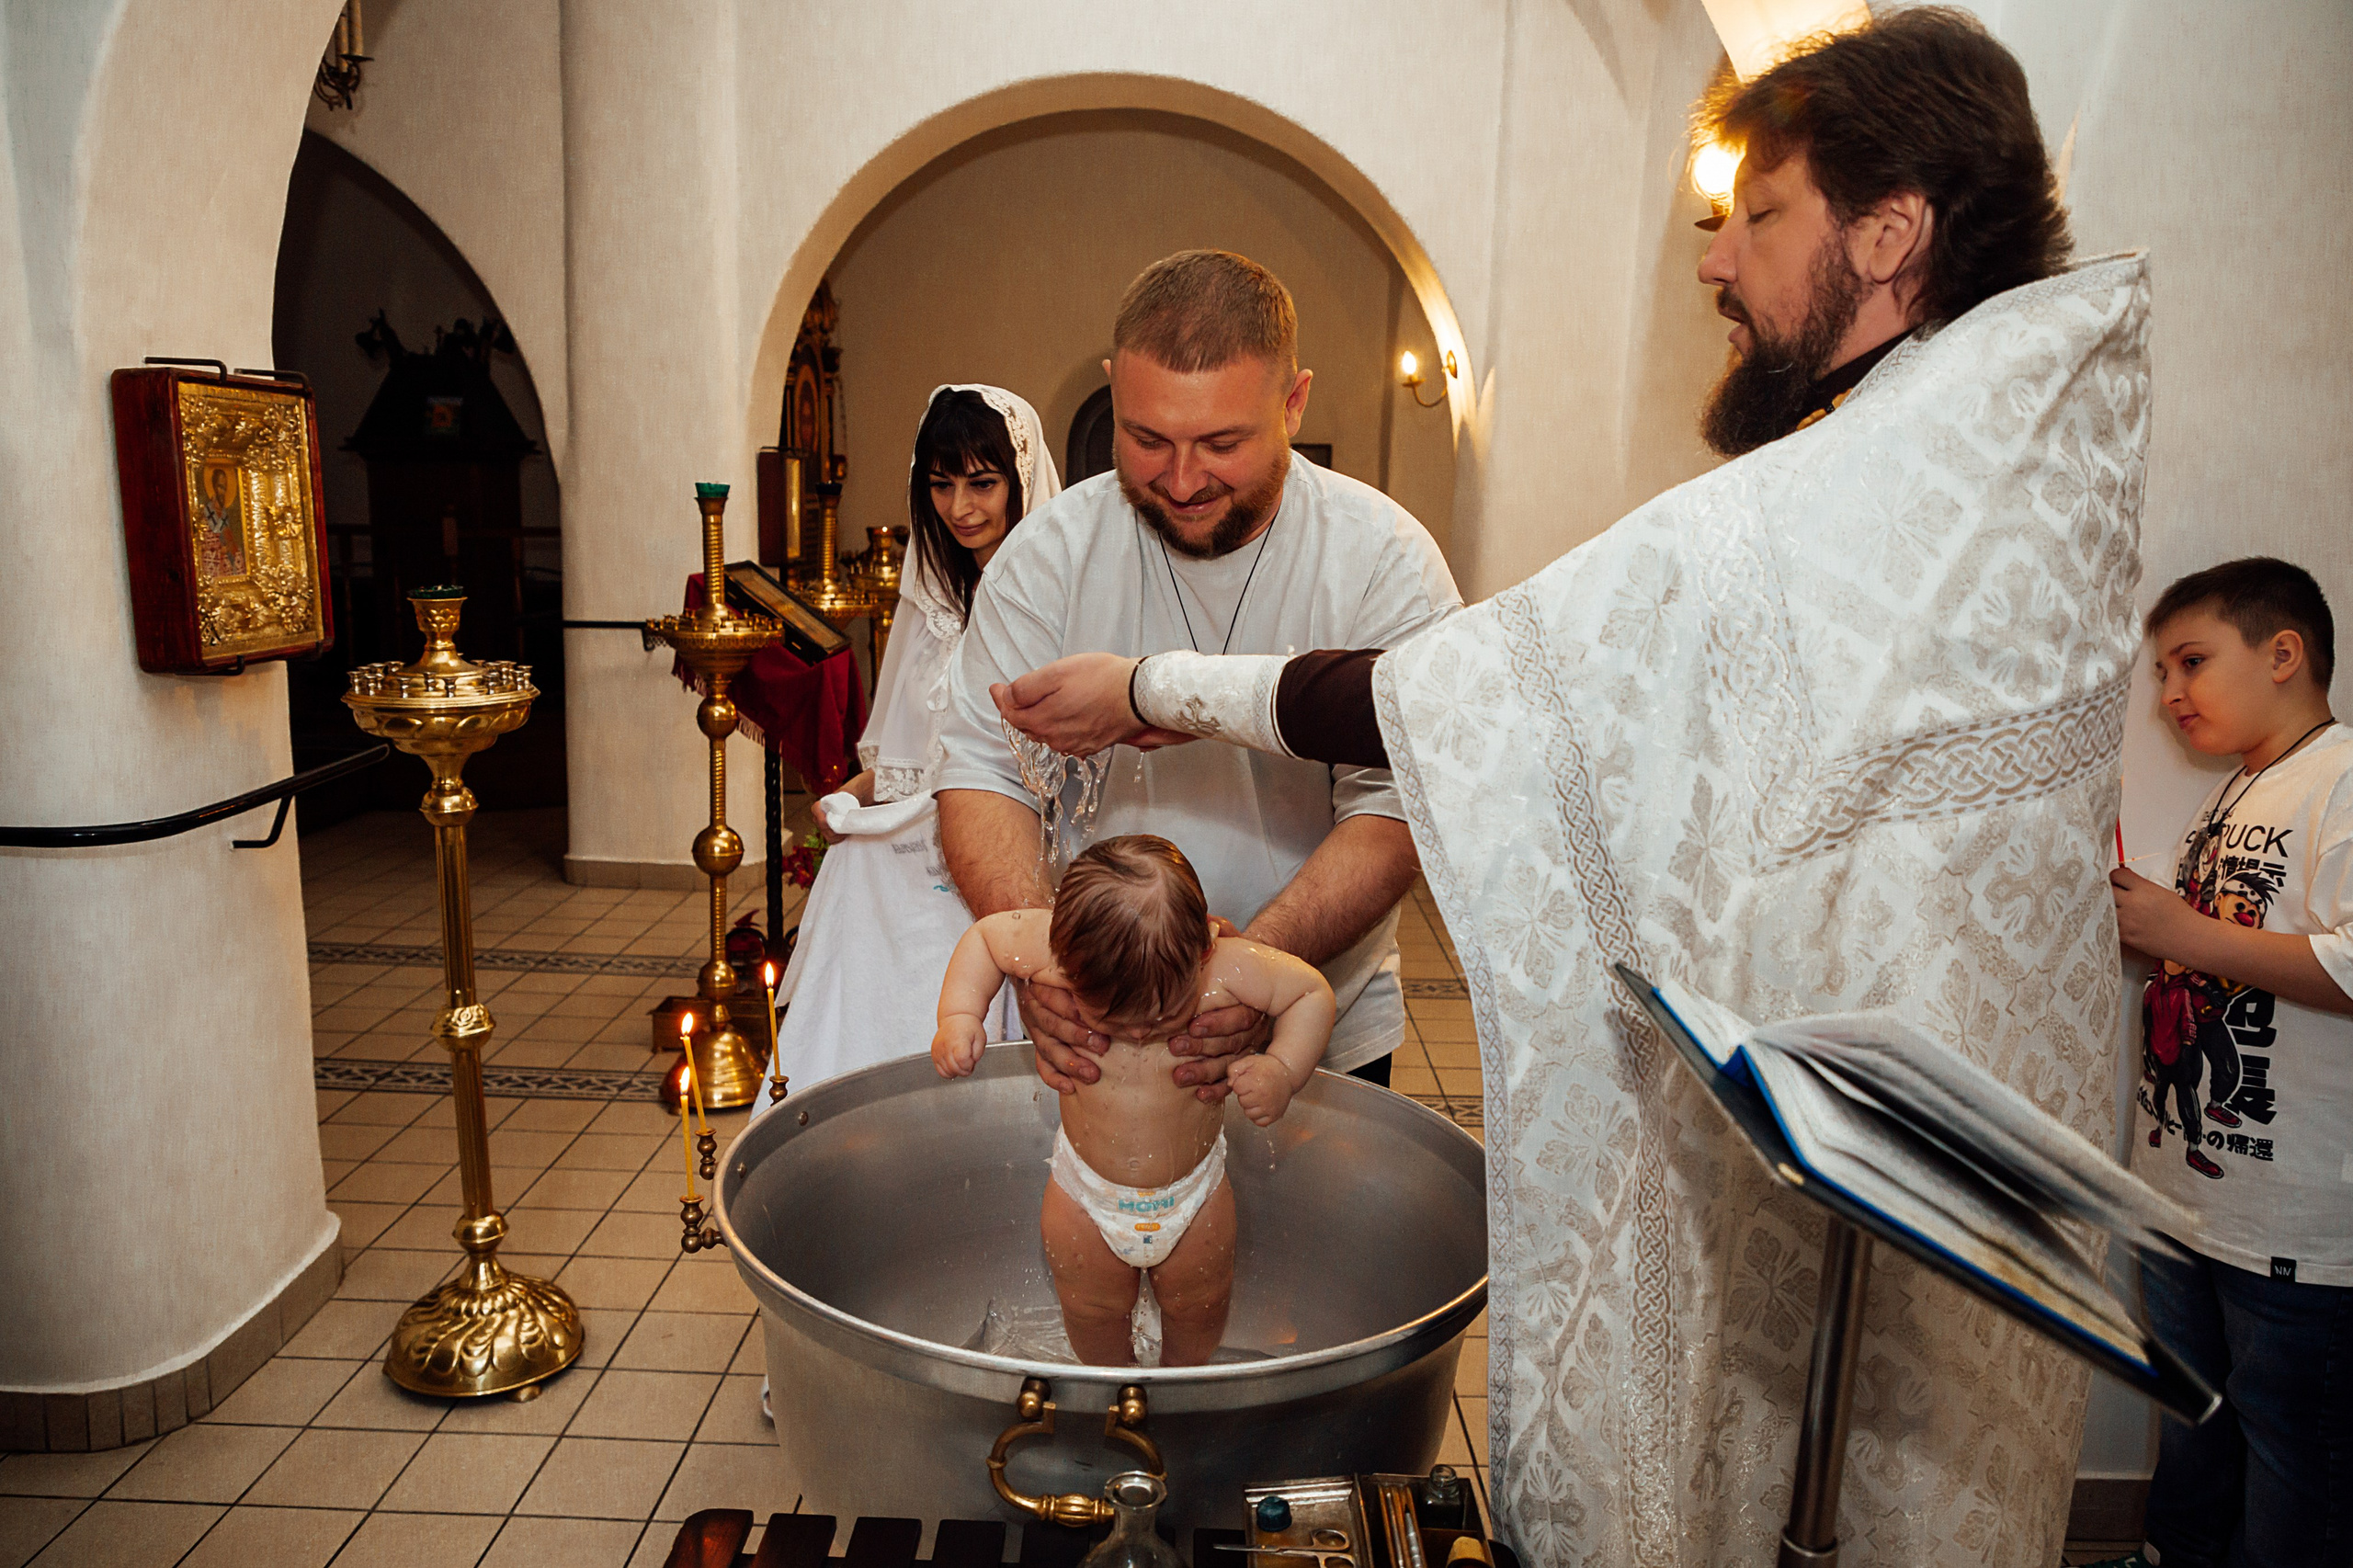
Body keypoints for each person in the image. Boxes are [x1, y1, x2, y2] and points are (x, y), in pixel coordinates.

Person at [993, 12, 2139, 1562]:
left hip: (1889, 1145)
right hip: (1911, 1125)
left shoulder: (1846, 498)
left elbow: (1476, 698)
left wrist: (1147, 690)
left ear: (1890, 231)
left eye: (1756, 213)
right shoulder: (1994, 454)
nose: (1715, 263)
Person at [933, 249, 1460, 1096]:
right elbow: (981, 774)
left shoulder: (1382, 560)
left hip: (1314, 1023)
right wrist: (1038, 954)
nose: (1180, 481)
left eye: (1221, 442)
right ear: (1114, 391)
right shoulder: (1047, 556)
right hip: (1093, 1020)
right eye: (1146, 439)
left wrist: (1259, 966)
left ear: (1294, 402)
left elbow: (1398, 805)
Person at [2100, 558, 2352, 1568]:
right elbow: (2229, 948)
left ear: (2282, 652)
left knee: (2295, 1464)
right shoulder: (2237, 791)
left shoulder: (2339, 776)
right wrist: (2150, 930)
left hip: (2293, 1224)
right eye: (2162, 669)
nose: (2168, 693)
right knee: (2193, 1432)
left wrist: (2189, 935)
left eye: (2190, 660)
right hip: (2187, 1198)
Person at [931, 835, 1335, 1367]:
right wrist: (959, 1015)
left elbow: (1311, 993)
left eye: (1162, 1014)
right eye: (1110, 1016)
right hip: (1085, 1193)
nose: (1140, 1031)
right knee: (1091, 1310)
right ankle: (1111, 1387)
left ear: (1205, 949)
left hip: (1195, 1195)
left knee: (1200, 1306)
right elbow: (986, 939)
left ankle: (1179, 1390)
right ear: (1064, 958)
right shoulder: (1051, 949)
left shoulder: (1230, 969)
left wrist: (1283, 1068)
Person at [767, 385, 1061, 1090]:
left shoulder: (1050, 600)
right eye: (942, 484)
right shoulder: (934, 599)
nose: (961, 508)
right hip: (909, 875)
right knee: (887, 1043)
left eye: (983, 484)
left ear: (1021, 480)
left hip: (1003, 860)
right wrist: (850, 795)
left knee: (977, 1055)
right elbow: (914, 753)